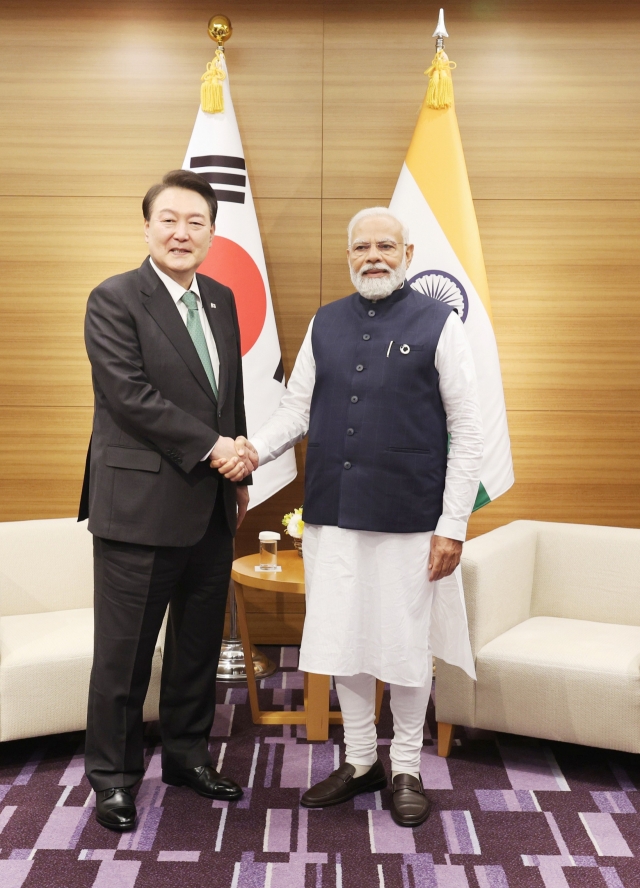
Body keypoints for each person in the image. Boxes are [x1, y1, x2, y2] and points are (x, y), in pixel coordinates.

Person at [216, 207, 483, 827]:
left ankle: (408, 767)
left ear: (408, 253)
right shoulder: (325, 322)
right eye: (361, 247)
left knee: (407, 643)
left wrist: (453, 525)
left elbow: (469, 430)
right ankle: (362, 761)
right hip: (333, 513)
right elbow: (296, 408)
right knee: (348, 637)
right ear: (348, 256)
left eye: (386, 246)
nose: (374, 257)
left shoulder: (439, 322)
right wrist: (255, 448)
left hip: (414, 517)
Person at [79, 169, 255, 832]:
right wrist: (218, 448)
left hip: (210, 505)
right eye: (169, 220)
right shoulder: (115, 299)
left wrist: (236, 473)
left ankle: (186, 757)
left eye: (197, 222)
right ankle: (115, 778)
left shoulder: (219, 299)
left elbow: (225, 398)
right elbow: (130, 397)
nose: (182, 233)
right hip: (138, 510)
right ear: (147, 225)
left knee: (196, 647)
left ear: (212, 231)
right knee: (124, 655)